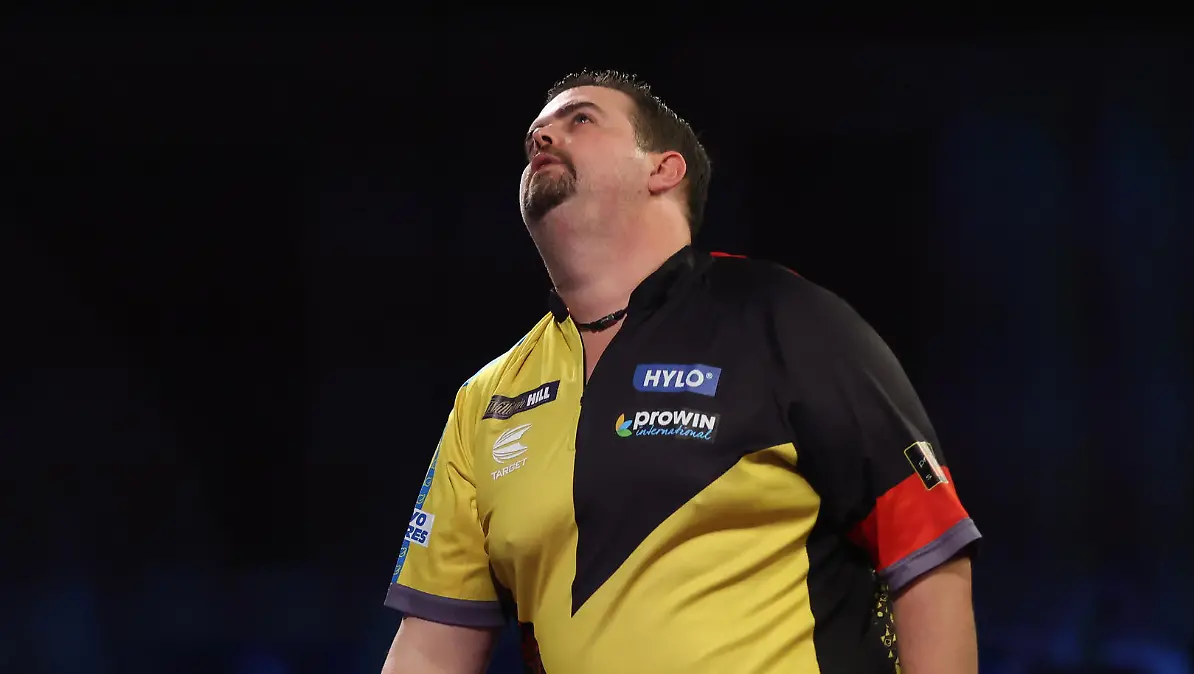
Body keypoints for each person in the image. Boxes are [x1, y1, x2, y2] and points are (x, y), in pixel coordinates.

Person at [379, 69, 981, 674]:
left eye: (580, 119)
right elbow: (431, 645)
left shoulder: (783, 320)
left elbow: (930, 556)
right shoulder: (485, 401)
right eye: (537, 131)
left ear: (663, 170)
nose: (541, 135)